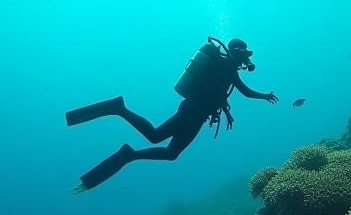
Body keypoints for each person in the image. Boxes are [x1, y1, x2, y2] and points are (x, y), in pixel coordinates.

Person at [66, 37, 278, 193]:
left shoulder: (226, 68)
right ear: (237, 51)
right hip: (193, 112)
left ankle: (129, 151)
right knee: (157, 138)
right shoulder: (225, 66)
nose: (245, 60)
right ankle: (120, 111)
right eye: (244, 54)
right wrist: (264, 95)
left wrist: (256, 98)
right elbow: (243, 91)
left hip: (195, 114)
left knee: (169, 151)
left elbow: (229, 91)